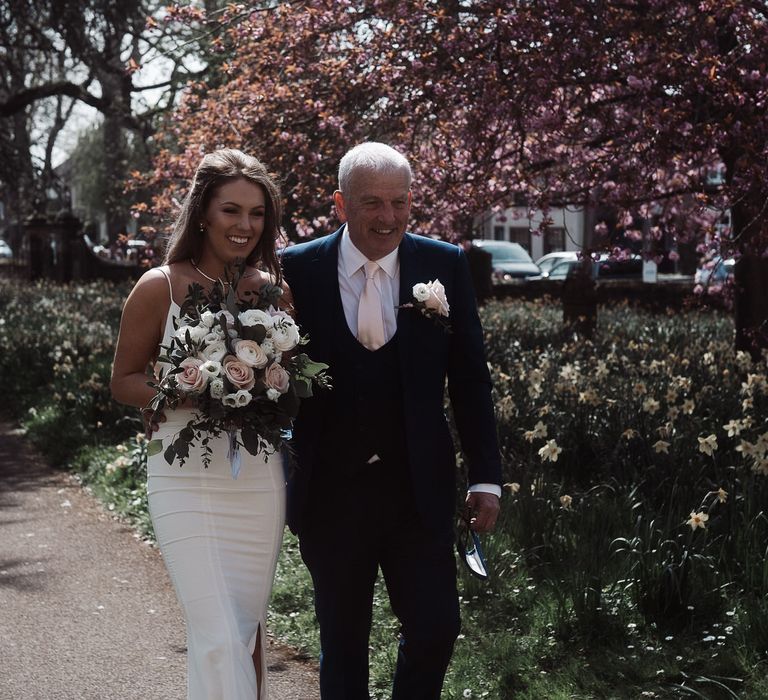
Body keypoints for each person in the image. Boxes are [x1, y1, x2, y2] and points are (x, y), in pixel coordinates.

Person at [280, 142, 502, 699]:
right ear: (341, 204)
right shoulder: (296, 270)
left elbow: (471, 379)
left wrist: (485, 476)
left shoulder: (443, 264)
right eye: (372, 203)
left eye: (399, 202)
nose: (388, 217)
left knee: (435, 628)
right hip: (330, 492)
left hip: (417, 489)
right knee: (343, 643)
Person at [111, 149, 287, 700]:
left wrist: (269, 386)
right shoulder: (158, 286)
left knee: (243, 630)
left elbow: (289, 381)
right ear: (203, 215)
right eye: (231, 211)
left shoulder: (274, 291)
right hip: (183, 476)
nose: (245, 226)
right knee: (215, 632)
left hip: (259, 479)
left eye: (257, 214)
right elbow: (123, 381)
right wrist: (197, 388)